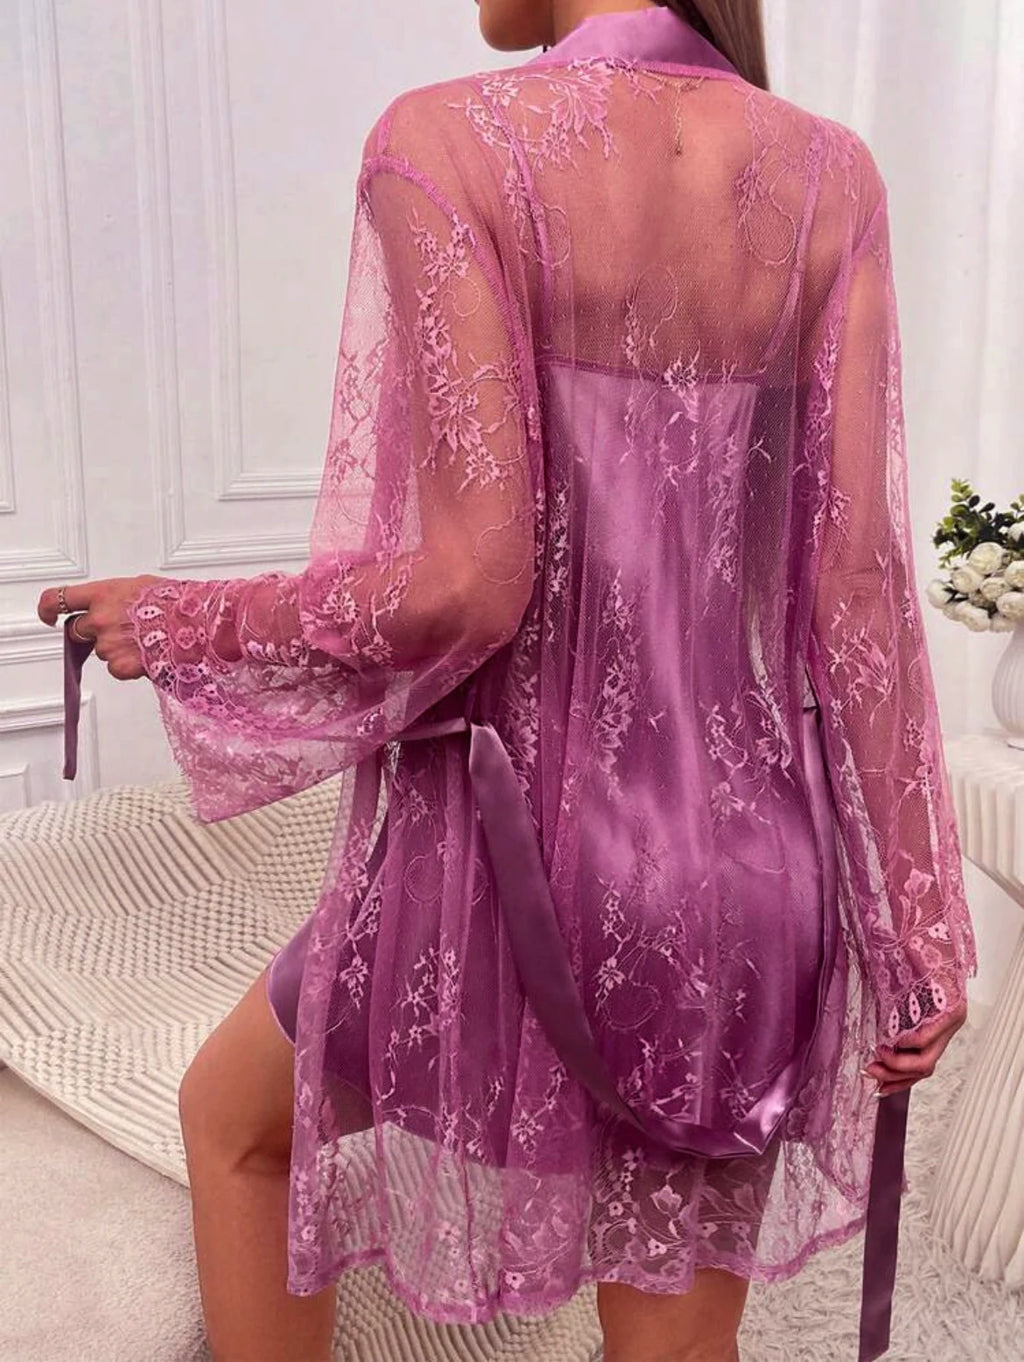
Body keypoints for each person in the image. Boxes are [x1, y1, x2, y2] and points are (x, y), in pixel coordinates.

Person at [39, 3, 976, 1360]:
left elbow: (470, 583)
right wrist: (923, 925)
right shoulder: (834, 176)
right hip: (745, 882)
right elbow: (863, 586)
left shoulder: (448, 144)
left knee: (238, 1127)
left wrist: (188, 619)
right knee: (675, 1348)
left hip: (510, 859)